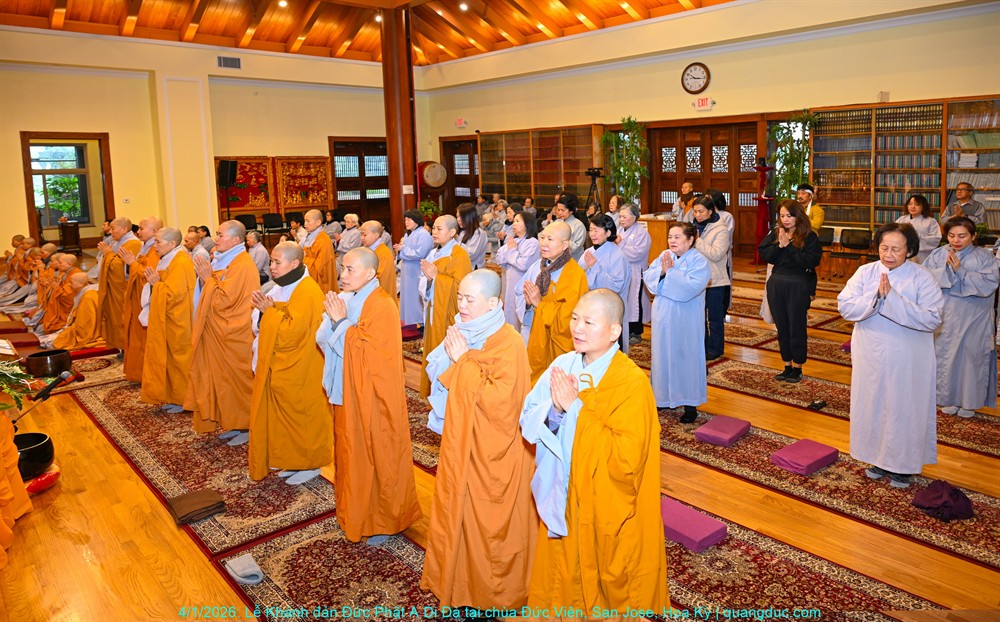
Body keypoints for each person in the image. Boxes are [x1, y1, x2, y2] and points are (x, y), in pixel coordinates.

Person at [520, 289, 669, 613]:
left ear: (614, 331)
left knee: (602, 585)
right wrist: (556, 411)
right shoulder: (563, 364)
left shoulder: (631, 383)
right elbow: (529, 415)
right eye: (575, 318)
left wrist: (575, 409)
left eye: (589, 322)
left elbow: (627, 460)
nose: (577, 328)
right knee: (559, 578)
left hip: (602, 504)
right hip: (563, 493)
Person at [420, 270, 535, 608]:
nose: (462, 305)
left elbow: (502, 405)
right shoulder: (463, 330)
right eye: (460, 297)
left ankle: (489, 593)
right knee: (456, 513)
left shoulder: (509, 343)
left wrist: (463, 361)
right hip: (461, 442)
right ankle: (457, 581)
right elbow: (440, 376)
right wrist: (457, 358)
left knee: (487, 526)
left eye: (471, 300)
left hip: (494, 452)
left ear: (494, 303)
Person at [317, 247, 421, 541]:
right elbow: (326, 340)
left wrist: (341, 323)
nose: (343, 274)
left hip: (373, 397)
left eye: (350, 269)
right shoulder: (351, 298)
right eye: (343, 268)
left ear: (371, 273)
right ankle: (355, 514)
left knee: (377, 457)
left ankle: (384, 521)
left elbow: (372, 356)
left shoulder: (381, 305)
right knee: (350, 455)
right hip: (349, 390)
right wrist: (333, 321)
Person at [838, 223, 944, 489]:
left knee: (903, 407)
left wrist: (893, 298)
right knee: (873, 403)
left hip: (907, 355)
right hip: (871, 353)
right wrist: (875, 297)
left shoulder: (922, 277)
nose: (888, 254)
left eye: (896, 249)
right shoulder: (866, 272)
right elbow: (845, 305)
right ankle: (876, 458)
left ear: (910, 250)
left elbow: (933, 318)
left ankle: (904, 466)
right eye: (884, 247)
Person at [248, 242, 332, 484]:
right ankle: (292, 460)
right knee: (283, 414)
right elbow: (264, 321)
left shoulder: (308, 291)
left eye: (277, 262)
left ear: (294, 263)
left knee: (302, 415)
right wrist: (265, 312)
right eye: (271, 261)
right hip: (282, 364)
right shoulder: (281, 287)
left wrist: (269, 312)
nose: (272, 267)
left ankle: (310, 464)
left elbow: (291, 334)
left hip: (302, 366)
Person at [186, 220, 259, 445]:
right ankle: (232, 422)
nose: (216, 239)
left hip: (234, 333)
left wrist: (207, 279)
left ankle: (246, 425)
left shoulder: (242, 265)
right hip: (218, 331)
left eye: (220, 235)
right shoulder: (224, 259)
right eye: (216, 234)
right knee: (221, 380)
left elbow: (224, 301)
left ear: (236, 240)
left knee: (236, 381)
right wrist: (207, 279)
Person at [923, 217, 999, 418]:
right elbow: (925, 277)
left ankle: (969, 403)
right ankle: (948, 398)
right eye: (951, 235)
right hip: (946, 314)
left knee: (971, 359)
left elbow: (990, 283)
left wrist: (960, 271)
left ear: (973, 236)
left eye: (962, 236)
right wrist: (947, 271)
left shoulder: (984, 257)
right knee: (945, 356)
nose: (956, 240)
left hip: (974, 316)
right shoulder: (938, 254)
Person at [643, 222, 712, 423]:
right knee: (662, 354)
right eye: (670, 237)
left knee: (686, 356)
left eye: (677, 237)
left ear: (690, 240)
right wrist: (662, 272)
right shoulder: (665, 255)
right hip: (663, 314)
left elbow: (691, 288)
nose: (672, 241)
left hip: (686, 317)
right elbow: (649, 277)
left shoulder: (699, 261)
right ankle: (663, 398)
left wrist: (670, 273)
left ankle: (690, 404)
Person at [515, 221, 589, 384]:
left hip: (558, 345)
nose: (544, 243)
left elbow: (569, 317)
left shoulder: (575, 274)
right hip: (537, 335)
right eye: (542, 237)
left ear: (565, 245)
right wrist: (528, 304)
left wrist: (539, 304)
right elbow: (519, 292)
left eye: (550, 239)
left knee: (557, 384)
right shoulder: (537, 266)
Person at [758, 200, 822, 383]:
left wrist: (789, 246)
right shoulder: (776, 232)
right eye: (782, 216)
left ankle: (798, 367)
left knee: (796, 327)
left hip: (798, 283)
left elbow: (809, 261)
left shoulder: (809, 236)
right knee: (782, 327)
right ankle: (786, 365)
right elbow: (765, 254)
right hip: (777, 283)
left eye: (789, 215)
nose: (785, 219)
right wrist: (779, 245)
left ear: (798, 216)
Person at [139, 227, 195, 413]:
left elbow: (173, 296)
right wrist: (156, 284)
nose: (154, 246)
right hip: (168, 317)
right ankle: (173, 396)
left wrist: (156, 284)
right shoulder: (168, 259)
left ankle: (184, 399)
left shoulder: (181, 262)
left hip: (179, 319)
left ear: (172, 243)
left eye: (158, 242)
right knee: (169, 359)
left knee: (179, 359)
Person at [419, 216, 472, 396]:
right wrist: (429, 280)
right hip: (433, 309)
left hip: (449, 313)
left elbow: (462, 287)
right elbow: (423, 281)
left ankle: (447, 393)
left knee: (447, 353)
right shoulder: (434, 253)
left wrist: (436, 278)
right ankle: (433, 391)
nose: (434, 232)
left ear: (452, 232)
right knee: (433, 349)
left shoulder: (459, 255)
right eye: (433, 228)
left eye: (439, 229)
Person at [119, 216, 162, 383]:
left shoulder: (155, 251)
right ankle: (138, 371)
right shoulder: (145, 247)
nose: (138, 231)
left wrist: (133, 263)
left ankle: (146, 373)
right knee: (135, 334)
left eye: (142, 228)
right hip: (137, 297)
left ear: (154, 231)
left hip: (145, 300)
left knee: (143, 337)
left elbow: (148, 275)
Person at [579, 214, 630, 351]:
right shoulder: (588, 252)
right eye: (591, 230)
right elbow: (579, 278)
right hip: (590, 306)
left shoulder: (617, 255)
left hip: (609, 308)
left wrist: (595, 268)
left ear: (608, 233)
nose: (592, 234)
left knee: (608, 346)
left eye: (596, 230)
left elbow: (617, 286)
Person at [692, 196, 732, 361]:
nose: (697, 215)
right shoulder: (692, 227)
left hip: (715, 280)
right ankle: (701, 346)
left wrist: (697, 241)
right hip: (696, 278)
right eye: (695, 212)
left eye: (701, 211)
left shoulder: (721, 229)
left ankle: (716, 349)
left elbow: (716, 254)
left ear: (710, 211)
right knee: (698, 316)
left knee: (714, 317)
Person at [97, 218, 141, 351]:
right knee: (114, 318)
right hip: (115, 288)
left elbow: (120, 268)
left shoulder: (133, 243)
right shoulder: (117, 242)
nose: (110, 232)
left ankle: (126, 347)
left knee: (122, 319)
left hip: (123, 289)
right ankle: (120, 346)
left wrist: (108, 254)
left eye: (113, 228)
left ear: (123, 229)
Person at [494, 211, 540, 332]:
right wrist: (511, 252)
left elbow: (523, 264)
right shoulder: (514, 240)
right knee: (509, 311)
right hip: (509, 284)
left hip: (523, 285)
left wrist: (512, 251)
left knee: (519, 315)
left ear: (527, 224)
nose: (513, 224)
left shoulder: (533, 243)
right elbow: (499, 258)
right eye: (514, 221)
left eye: (517, 221)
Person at [616, 203, 652, 345]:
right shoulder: (619, 230)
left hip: (636, 271)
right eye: (620, 216)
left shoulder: (642, 233)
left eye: (624, 217)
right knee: (625, 300)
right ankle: (625, 329)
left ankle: (636, 332)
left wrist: (619, 245)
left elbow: (636, 254)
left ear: (634, 217)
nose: (621, 219)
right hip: (622, 271)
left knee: (635, 301)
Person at [394, 210, 434, 325]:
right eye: (405, 220)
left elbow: (420, 253)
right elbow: (403, 253)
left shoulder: (423, 234)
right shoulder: (408, 234)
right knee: (407, 296)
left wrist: (402, 249)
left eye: (409, 219)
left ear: (416, 220)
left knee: (416, 296)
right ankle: (410, 321)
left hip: (417, 270)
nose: (406, 222)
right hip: (407, 269)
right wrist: (399, 251)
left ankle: (421, 322)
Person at [47, 272, 104, 350]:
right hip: (76, 326)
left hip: (84, 332)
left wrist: (70, 331)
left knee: (55, 342)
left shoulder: (88, 297)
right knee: (50, 339)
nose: (69, 285)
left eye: (71, 282)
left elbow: (85, 325)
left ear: (81, 284)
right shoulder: (83, 293)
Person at [300, 208, 338, 295]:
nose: (305, 224)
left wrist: (303, 259)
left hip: (322, 284)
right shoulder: (308, 236)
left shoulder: (323, 240)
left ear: (318, 222)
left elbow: (322, 268)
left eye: (308, 221)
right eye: (305, 221)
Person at [895, 194, 942, 263]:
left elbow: (935, 239)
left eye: (917, 204)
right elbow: (893, 234)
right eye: (910, 204)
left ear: (923, 207)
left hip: (923, 256)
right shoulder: (902, 219)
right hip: (904, 254)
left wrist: (914, 233)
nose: (912, 206)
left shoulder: (931, 221)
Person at [360, 220, 396, 301]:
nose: (362, 238)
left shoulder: (383, 253)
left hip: (381, 298)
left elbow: (380, 278)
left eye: (364, 235)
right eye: (361, 234)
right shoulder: (368, 250)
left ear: (376, 235)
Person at [553, 193, 587, 261]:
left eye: (563, 210)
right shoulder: (557, 222)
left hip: (574, 260)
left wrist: (563, 241)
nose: (560, 213)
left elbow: (576, 247)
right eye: (558, 210)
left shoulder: (579, 225)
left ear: (571, 210)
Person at [457, 204, 487, 270]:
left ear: (469, 217)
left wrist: (457, 239)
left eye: (461, 217)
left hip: (474, 269)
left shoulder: (479, 233)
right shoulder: (462, 232)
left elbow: (471, 255)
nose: (458, 220)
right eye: (457, 217)